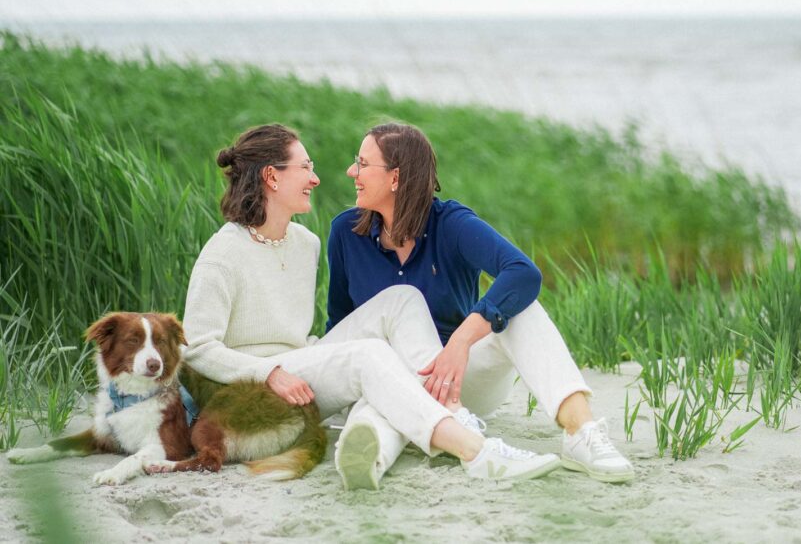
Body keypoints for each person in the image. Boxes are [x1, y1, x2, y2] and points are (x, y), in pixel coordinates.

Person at [180, 124, 561, 489]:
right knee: (368, 355)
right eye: (305, 168)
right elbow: (197, 349)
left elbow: (321, 328)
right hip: (255, 389)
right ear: (272, 178)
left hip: (303, 374)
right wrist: (270, 372)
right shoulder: (223, 254)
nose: (316, 179)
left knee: (403, 298)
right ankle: (474, 450)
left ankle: (450, 412)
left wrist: (317, 360)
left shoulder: (306, 243)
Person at [327, 122, 635, 483]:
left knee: (521, 311)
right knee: (383, 404)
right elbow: (343, 321)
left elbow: (523, 272)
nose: (352, 172)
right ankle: (374, 453)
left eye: (363, 163)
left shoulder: (451, 224)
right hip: (393, 379)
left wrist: (461, 341)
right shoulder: (346, 233)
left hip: (457, 382)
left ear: (395, 178)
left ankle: (581, 433)